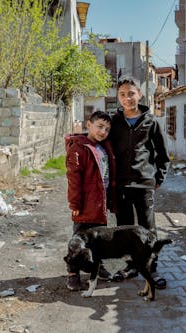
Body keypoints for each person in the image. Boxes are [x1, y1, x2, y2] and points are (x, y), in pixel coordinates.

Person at [109, 75, 170, 289]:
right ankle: (131, 266)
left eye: (131, 94)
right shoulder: (113, 122)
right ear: (118, 97)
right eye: (123, 95)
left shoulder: (151, 121)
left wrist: (158, 178)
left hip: (144, 184)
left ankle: (151, 269)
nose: (127, 99)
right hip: (120, 185)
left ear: (140, 94)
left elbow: (162, 154)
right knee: (124, 228)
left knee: (147, 228)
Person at [64, 110, 116, 291]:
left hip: (99, 204)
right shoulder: (78, 148)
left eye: (107, 129)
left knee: (98, 238)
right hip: (85, 204)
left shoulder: (103, 147)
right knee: (78, 239)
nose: (103, 132)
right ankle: (73, 273)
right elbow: (74, 180)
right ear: (89, 125)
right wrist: (75, 204)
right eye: (100, 127)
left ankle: (97, 266)